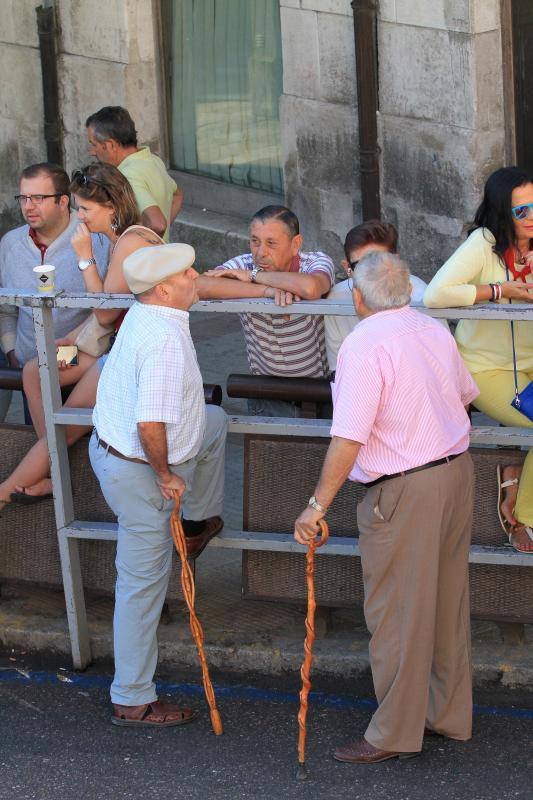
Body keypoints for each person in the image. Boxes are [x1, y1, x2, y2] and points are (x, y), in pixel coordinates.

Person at [294, 252, 478, 763]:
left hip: (405, 485)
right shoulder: (432, 329)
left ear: (358, 297)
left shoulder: (363, 345)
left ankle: (393, 734)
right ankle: (447, 716)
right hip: (455, 471)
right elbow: (464, 395)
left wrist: (315, 506)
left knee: (396, 612)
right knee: (445, 604)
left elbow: (349, 438)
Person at [90, 242, 227, 725]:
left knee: (214, 420)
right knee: (141, 586)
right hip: (142, 472)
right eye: (188, 273)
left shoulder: (145, 310)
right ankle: (132, 697)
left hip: (112, 449)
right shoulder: (166, 340)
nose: (197, 276)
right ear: (166, 288)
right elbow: (151, 427)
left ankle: (194, 525)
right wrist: (167, 476)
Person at [0, 163, 164, 510]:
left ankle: (17, 486)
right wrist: (71, 339)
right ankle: (51, 468)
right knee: (36, 369)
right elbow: (103, 315)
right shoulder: (117, 237)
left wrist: (85, 259)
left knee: (64, 425)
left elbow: (105, 310)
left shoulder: (128, 240)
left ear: (112, 208)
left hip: (122, 355)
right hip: (102, 343)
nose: (81, 217)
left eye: (85, 209)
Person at [424, 166, 533, 554]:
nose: (532, 217)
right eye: (522, 212)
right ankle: (523, 515)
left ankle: (515, 472)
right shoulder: (484, 242)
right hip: (486, 367)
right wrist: (499, 290)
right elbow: (435, 295)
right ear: (504, 214)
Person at [199, 205, 335, 416]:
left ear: (295, 244)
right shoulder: (243, 264)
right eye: (255, 242)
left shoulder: (314, 262)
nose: (261, 253)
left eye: (271, 243)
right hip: (265, 391)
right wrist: (266, 291)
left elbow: (311, 287)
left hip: (319, 391)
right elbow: (201, 285)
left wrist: (253, 277)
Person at [0, 162, 109, 418]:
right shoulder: (11, 244)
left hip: (80, 363)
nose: (28, 206)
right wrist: (12, 351)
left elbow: (106, 311)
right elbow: (6, 309)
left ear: (63, 201)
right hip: (29, 365)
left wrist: (66, 355)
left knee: (77, 447)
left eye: (38, 198)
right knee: (43, 441)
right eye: (23, 198)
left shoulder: (96, 241)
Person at [325, 221, 429, 373]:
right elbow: (339, 367)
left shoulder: (422, 296)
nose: (373, 275)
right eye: (362, 266)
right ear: (347, 268)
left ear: (396, 261)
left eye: (380, 263)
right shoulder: (336, 299)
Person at [86, 106, 182, 242]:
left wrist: (134, 248)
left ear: (110, 145)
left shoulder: (127, 175)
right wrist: (162, 239)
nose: (92, 152)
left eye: (93, 144)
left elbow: (158, 224)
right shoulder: (153, 159)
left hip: (142, 261)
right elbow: (178, 195)